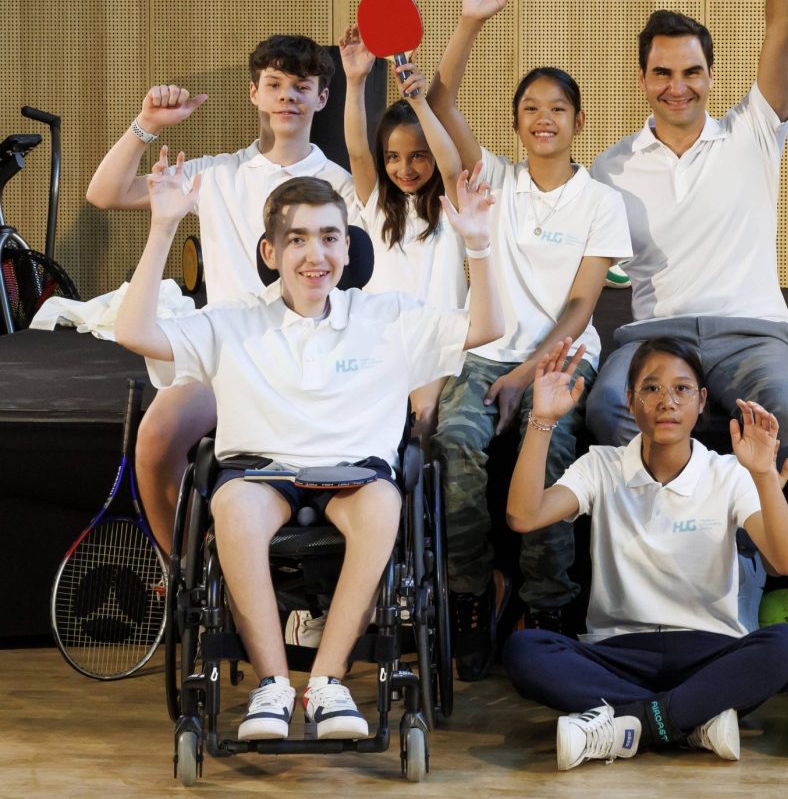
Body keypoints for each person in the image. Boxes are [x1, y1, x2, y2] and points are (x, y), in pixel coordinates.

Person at [113, 171, 501, 742]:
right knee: (235, 509)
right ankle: (272, 686)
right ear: (270, 251)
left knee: (382, 505)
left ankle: (325, 682)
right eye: (297, 239)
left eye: (328, 237)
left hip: (356, 474)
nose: (314, 253)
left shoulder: (386, 317)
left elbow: (490, 326)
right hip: (262, 473)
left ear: (348, 246)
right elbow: (134, 331)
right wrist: (165, 222)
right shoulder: (234, 319)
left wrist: (479, 245)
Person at [584, 0, 788, 629]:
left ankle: (749, 565)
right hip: (658, 334)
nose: (677, 85)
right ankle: (646, 572)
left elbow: (781, 31)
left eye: (691, 71)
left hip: (754, 334)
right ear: (643, 77)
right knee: (609, 410)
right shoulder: (611, 167)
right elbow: (582, 267)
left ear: (711, 75)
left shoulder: (754, 129)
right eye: (661, 72)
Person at [419, 0, 632, 675]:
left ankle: (547, 602)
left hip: (563, 356)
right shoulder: (496, 180)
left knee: (556, 452)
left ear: (578, 121)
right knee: (456, 439)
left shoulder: (601, 200)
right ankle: (468, 596)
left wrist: (526, 375)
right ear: (515, 123)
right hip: (483, 351)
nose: (544, 119)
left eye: (558, 108)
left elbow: (580, 304)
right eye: (531, 109)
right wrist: (471, 18)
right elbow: (442, 99)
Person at [85, 36, 359, 553]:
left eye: (301, 87)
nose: (287, 98)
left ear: (322, 98)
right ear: (253, 92)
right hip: (223, 359)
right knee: (157, 435)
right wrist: (146, 127)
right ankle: (180, 567)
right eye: (274, 85)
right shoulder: (216, 174)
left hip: (309, 359)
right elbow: (104, 193)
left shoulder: (341, 186)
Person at [503, 337, 788, 771]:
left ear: (702, 401)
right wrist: (542, 419)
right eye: (651, 388)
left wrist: (761, 474)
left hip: (708, 652)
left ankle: (629, 726)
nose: (667, 401)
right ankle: (691, 720)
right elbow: (524, 515)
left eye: (682, 389)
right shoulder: (601, 465)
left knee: (787, 645)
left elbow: (787, 563)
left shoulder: (729, 473)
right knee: (525, 651)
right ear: (629, 401)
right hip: (620, 652)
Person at [338, 24, 468, 445]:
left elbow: (450, 166)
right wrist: (355, 81)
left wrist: (418, 100)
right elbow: (357, 149)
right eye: (393, 157)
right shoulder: (377, 203)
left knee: (424, 416)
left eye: (417, 157)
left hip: (441, 345)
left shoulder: (453, 204)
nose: (405, 168)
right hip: (381, 343)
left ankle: (418, 506)